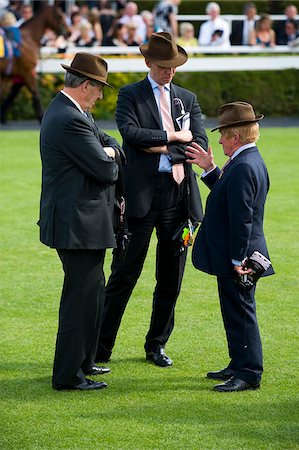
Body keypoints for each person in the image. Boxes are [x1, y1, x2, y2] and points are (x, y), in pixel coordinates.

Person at [96, 31, 208, 368]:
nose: (169, 72)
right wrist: (174, 137)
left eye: (173, 67)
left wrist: (159, 146)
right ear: (148, 63)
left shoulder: (186, 99)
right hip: (141, 195)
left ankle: (156, 344)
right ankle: (100, 348)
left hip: (179, 196)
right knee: (124, 274)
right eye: (163, 67)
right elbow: (131, 135)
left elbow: (199, 142)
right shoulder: (131, 94)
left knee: (171, 277)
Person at [39, 53, 123, 391]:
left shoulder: (73, 112)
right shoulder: (69, 118)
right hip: (77, 224)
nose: (101, 95)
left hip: (82, 222)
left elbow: (109, 144)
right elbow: (105, 168)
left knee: (93, 295)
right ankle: (69, 376)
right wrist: (110, 156)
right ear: (86, 85)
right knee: (80, 298)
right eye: (99, 88)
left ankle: (84, 362)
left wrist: (110, 151)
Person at [185, 101, 274, 392]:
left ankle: (248, 372)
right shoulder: (246, 161)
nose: (220, 140)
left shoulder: (244, 166)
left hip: (240, 257)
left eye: (223, 134)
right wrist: (210, 168)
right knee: (235, 311)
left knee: (241, 312)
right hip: (239, 254)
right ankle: (238, 363)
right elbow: (229, 196)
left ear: (235, 136)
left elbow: (242, 218)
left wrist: (237, 259)